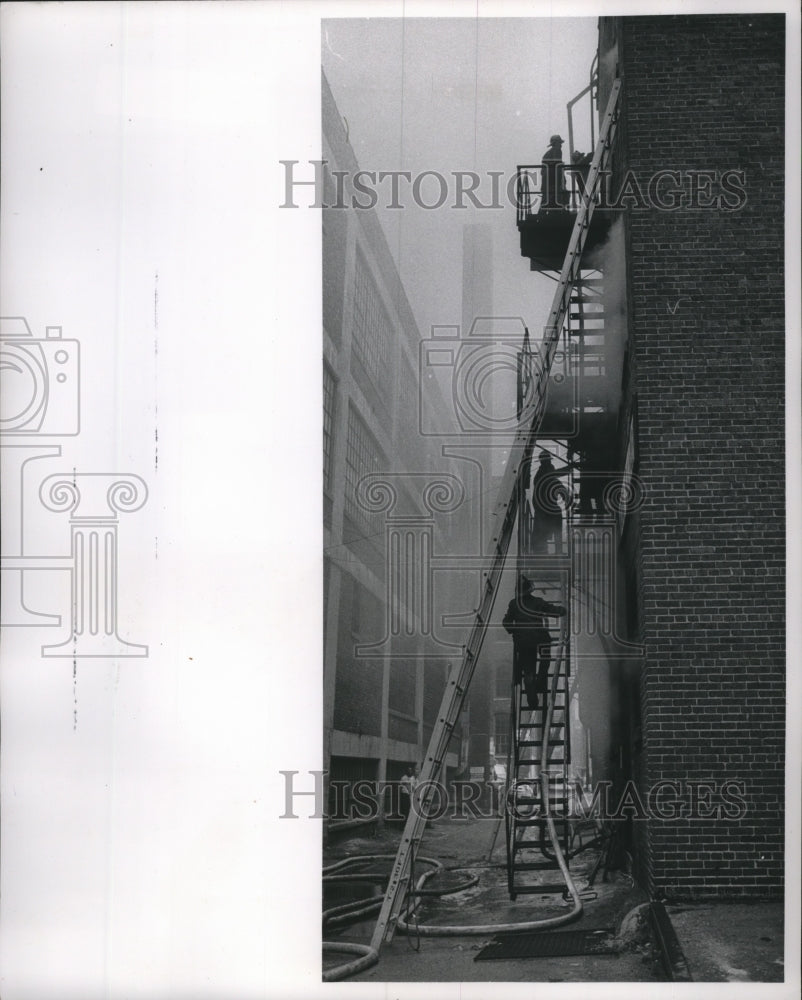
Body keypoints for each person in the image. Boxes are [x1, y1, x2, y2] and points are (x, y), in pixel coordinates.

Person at [503, 576, 567, 710]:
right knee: (545, 659)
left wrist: (516, 631)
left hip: (523, 642)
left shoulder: (514, 604)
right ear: (529, 590)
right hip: (540, 638)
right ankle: (541, 680)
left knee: (528, 671)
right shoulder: (538, 602)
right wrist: (563, 610)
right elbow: (552, 610)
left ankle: (532, 700)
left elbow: (506, 622)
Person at [530, 450, 572, 553]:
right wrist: (569, 468)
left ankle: (542, 551)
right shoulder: (545, 476)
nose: (549, 463)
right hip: (545, 510)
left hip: (540, 510)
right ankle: (557, 551)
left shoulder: (541, 475)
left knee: (541, 533)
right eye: (548, 461)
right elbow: (556, 479)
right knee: (554, 522)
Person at [541, 134, 568, 210]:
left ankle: (543, 212)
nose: (561, 145)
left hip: (548, 180)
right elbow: (557, 163)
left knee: (547, 199)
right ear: (556, 143)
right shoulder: (557, 150)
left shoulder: (549, 152)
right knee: (555, 197)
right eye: (559, 143)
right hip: (552, 179)